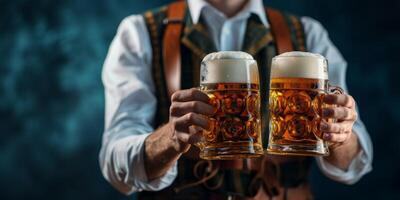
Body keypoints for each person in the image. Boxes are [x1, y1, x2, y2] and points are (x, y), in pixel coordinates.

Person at [99, 0, 373, 199]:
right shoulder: (139, 32)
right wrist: (170, 139)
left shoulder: (308, 32)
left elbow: (354, 165)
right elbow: (115, 164)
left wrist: (341, 135)